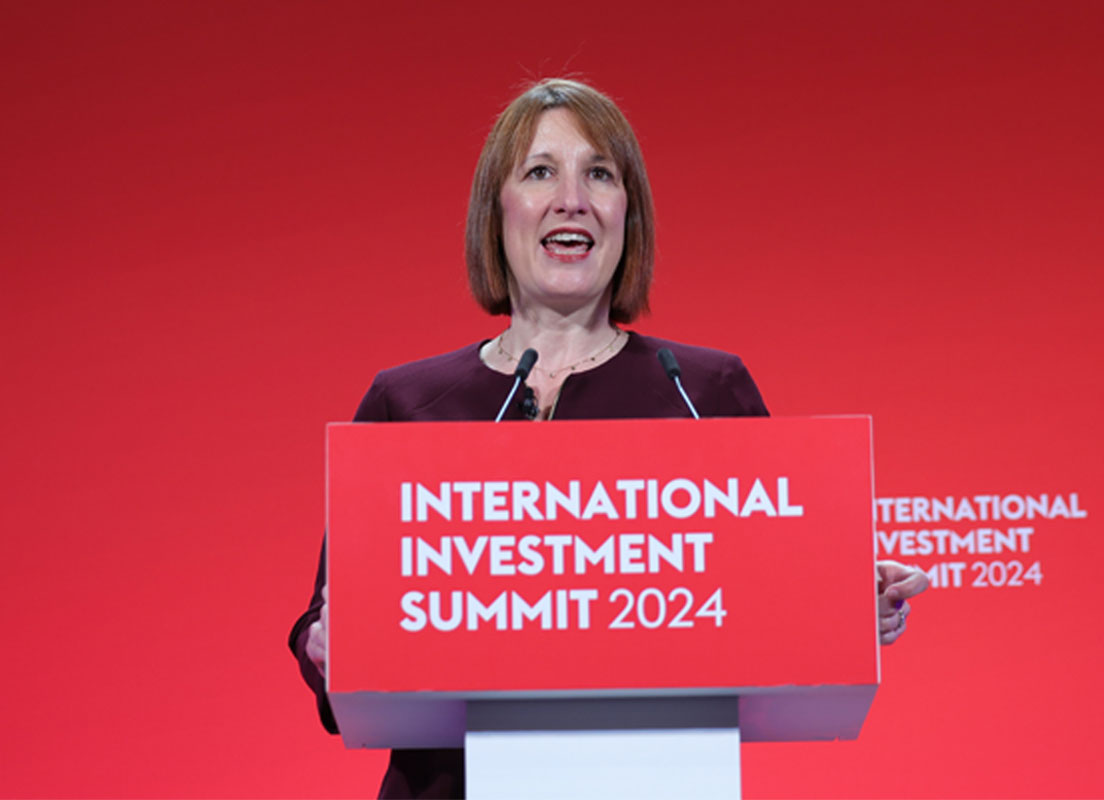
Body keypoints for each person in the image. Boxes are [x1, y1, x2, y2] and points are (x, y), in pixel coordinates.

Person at [288, 77, 929, 799]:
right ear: (495, 213)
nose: (573, 199)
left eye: (599, 174)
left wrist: (848, 605)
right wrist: (325, 645)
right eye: (539, 173)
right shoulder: (405, 405)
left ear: (629, 213)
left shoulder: (702, 392)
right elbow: (324, 625)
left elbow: (771, 598)